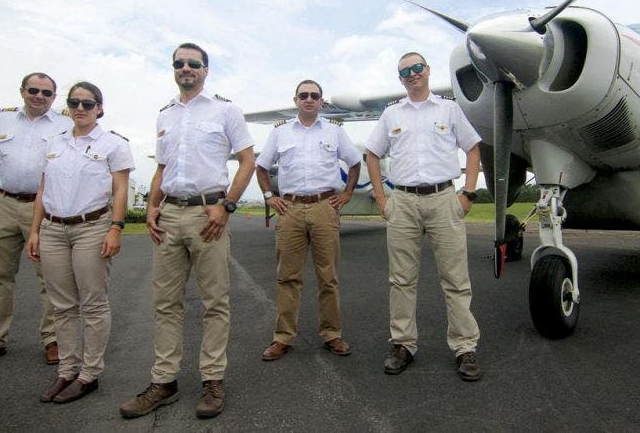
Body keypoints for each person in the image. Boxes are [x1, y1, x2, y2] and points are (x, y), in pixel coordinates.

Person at [119, 43, 255, 420]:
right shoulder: (165, 115)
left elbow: (247, 160)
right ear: (174, 69)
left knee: (215, 302)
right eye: (179, 63)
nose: (186, 68)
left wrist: (227, 205)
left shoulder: (226, 110)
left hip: (207, 215)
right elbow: (162, 167)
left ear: (206, 70)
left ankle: (212, 379)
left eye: (193, 64)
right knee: (166, 303)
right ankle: (164, 381)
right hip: (170, 216)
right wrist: (151, 206)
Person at [364, 52, 484, 382]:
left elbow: (473, 147)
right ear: (400, 78)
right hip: (402, 202)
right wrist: (381, 197)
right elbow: (372, 154)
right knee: (401, 280)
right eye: (405, 71)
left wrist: (468, 193)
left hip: (444, 198)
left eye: (417, 68)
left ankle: (464, 347)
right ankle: (403, 344)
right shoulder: (391, 114)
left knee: (456, 279)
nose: (412, 74)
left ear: (428, 71)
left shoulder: (449, 109)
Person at [26, 81, 134, 403]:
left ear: (100, 108)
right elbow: (43, 192)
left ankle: (89, 374)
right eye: (75, 103)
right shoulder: (54, 143)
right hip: (54, 229)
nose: (80, 109)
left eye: (88, 104)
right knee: (62, 305)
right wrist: (34, 231)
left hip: (92, 227)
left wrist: (116, 228)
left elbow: (120, 190)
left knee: (93, 303)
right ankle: (67, 371)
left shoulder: (113, 144)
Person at [0, 72, 73, 367]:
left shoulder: (66, 124)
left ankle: (52, 339)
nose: (39, 96)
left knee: (50, 277)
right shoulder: (2, 120)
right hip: (4, 204)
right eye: (33, 90)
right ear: (22, 91)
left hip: (43, 207)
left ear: (54, 97)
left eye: (47, 93)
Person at [255, 79, 362, 361]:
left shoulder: (334, 132)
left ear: (321, 101)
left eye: (314, 95)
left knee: (328, 277)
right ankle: (283, 338)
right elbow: (261, 166)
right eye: (304, 95)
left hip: (325, 207)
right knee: (287, 276)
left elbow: (355, 162)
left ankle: (332, 334)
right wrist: (269, 196)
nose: (309, 99)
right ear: (295, 100)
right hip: (289, 210)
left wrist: (348, 193)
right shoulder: (280, 133)